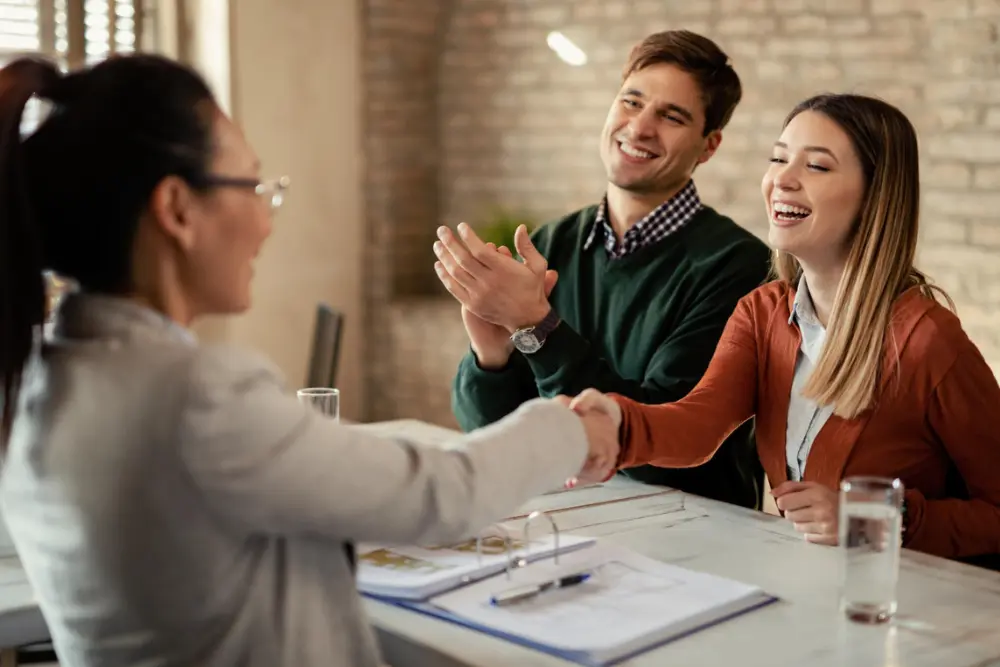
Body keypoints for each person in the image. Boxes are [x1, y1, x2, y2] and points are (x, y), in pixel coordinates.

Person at [0, 54, 619, 667]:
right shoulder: (193, 394)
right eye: (251, 186)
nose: (266, 223)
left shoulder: (40, 373)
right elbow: (440, 495)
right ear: (177, 209)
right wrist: (573, 426)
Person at [565, 92, 1000, 568]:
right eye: (778, 158)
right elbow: (698, 426)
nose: (782, 180)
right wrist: (616, 422)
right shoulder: (762, 312)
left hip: (916, 610)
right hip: (815, 586)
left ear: (876, 196)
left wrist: (878, 516)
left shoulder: (928, 342)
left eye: (817, 167)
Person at [435, 30, 771, 509]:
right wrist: (491, 357)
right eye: (631, 102)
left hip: (692, 539)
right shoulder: (549, 245)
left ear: (708, 146)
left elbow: (659, 447)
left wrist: (536, 327)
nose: (640, 128)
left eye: (671, 116)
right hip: (569, 522)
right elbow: (492, 438)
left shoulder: (738, 267)